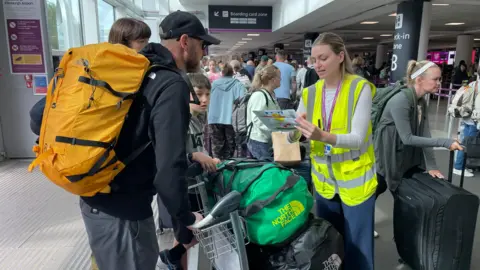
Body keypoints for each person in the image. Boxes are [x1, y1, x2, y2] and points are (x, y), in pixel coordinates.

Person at [30, 12, 221, 270]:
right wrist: (184, 223)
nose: (205, 51)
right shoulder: (170, 84)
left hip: (96, 200)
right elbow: (168, 170)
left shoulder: (131, 70)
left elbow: (36, 117)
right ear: (185, 41)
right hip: (124, 216)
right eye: (203, 44)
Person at [289, 32, 376, 270]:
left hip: (356, 182)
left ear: (340, 56)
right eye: (314, 59)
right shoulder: (310, 92)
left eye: (323, 58)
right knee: (329, 248)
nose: (317, 64)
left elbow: (358, 139)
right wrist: (288, 129)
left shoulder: (360, 88)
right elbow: (298, 131)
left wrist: (321, 136)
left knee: (359, 251)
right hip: (325, 182)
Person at [158, 73, 220, 269]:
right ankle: (171, 259)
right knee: (187, 233)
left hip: (195, 186)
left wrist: (208, 158)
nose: (204, 100)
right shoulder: (178, 121)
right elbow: (167, 157)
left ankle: (172, 257)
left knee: (190, 235)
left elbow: (198, 147)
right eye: (199, 94)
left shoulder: (197, 119)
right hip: (182, 188)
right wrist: (194, 156)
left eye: (208, 94)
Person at [375, 60, 463, 196]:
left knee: (400, 192)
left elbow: (424, 133)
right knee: (376, 188)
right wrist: (444, 142)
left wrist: (432, 166)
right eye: (435, 79)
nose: (439, 83)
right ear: (419, 80)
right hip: (385, 153)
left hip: (400, 154)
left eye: (439, 79)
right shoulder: (401, 100)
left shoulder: (420, 101)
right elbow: (407, 138)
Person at [208, 64, 246, 160]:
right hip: (230, 119)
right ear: (233, 73)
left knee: (216, 146)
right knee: (230, 147)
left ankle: (216, 166)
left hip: (214, 118)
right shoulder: (238, 85)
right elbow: (242, 102)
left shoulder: (213, 85)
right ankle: (227, 166)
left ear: (222, 73)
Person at [247, 65, 281, 160]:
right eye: (279, 77)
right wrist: (275, 130)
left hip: (267, 140)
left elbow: (276, 116)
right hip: (259, 141)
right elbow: (258, 120)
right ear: (272, 80)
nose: (281, 79)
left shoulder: (270, 95)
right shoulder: (259, 96)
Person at [453, 63, 480, 177]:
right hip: (474, 120)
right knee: (468, 144)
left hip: (466, 117)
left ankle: (461, 165)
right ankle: (459, 166)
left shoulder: (473, 83)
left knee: (465, 142)